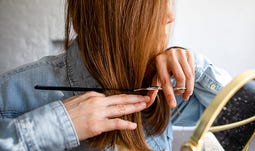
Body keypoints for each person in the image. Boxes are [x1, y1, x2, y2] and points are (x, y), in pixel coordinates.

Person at [0, 1, 231, 151]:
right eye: (157, 5)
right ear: (121, 14)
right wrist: (60, 124)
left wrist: (195, 69)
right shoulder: (11, 93)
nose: (170, 16)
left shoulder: (159, 85)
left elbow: (238, 117)